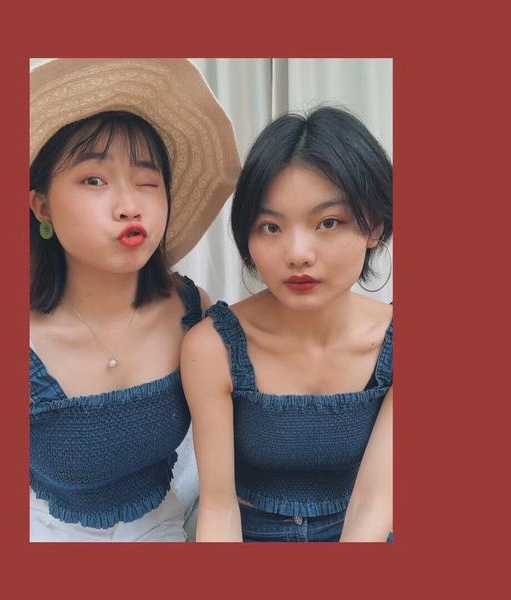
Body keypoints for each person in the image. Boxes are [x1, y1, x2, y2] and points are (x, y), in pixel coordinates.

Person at [29, 59, 240, 542]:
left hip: (163, 530)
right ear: (43, 206)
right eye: (94, 181)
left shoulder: (193, 312)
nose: (130, 206)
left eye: (148, 182)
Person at [181, 107, 393, 542]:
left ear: (374, 225)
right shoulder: (213, 346)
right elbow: (218, 508)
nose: (297, 254)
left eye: (328, 223)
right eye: (271, 227)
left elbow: (375, 501)